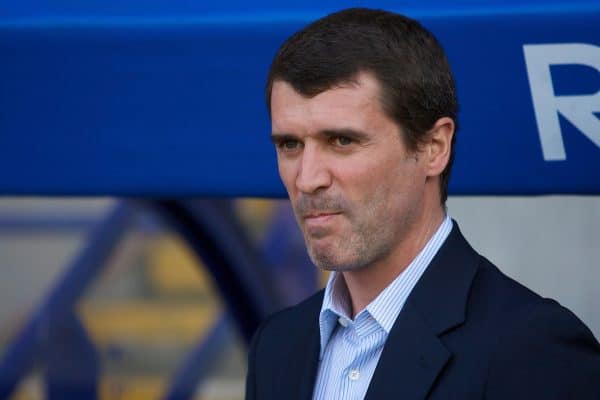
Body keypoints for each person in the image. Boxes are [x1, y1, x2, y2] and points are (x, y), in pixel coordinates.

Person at [245, 8, 600, 400]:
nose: (308, 178)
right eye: (289, 145)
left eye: (342, 141)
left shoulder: (533, 349)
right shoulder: (276, 346)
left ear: (434, 148)